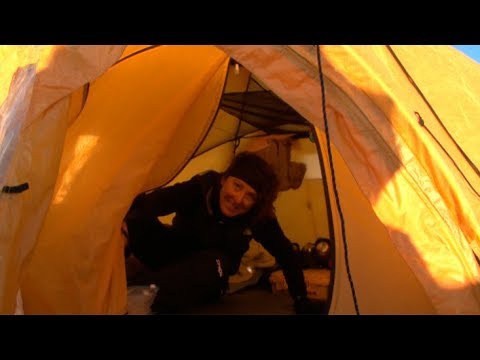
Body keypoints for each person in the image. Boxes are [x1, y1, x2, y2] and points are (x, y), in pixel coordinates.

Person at [123, 151, 322, 314]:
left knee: (214, 263)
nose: (238, 199)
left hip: (208, 277)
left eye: (249, 196)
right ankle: (123, 276)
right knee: (136, 210)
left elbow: (286, 254)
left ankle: (135, 296)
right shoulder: (200, 188)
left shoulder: (258, 216)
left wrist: (300, 298)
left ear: (256, 202)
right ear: (224, 179)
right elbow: (152, 203)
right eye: (237, 186)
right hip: (174, 256)